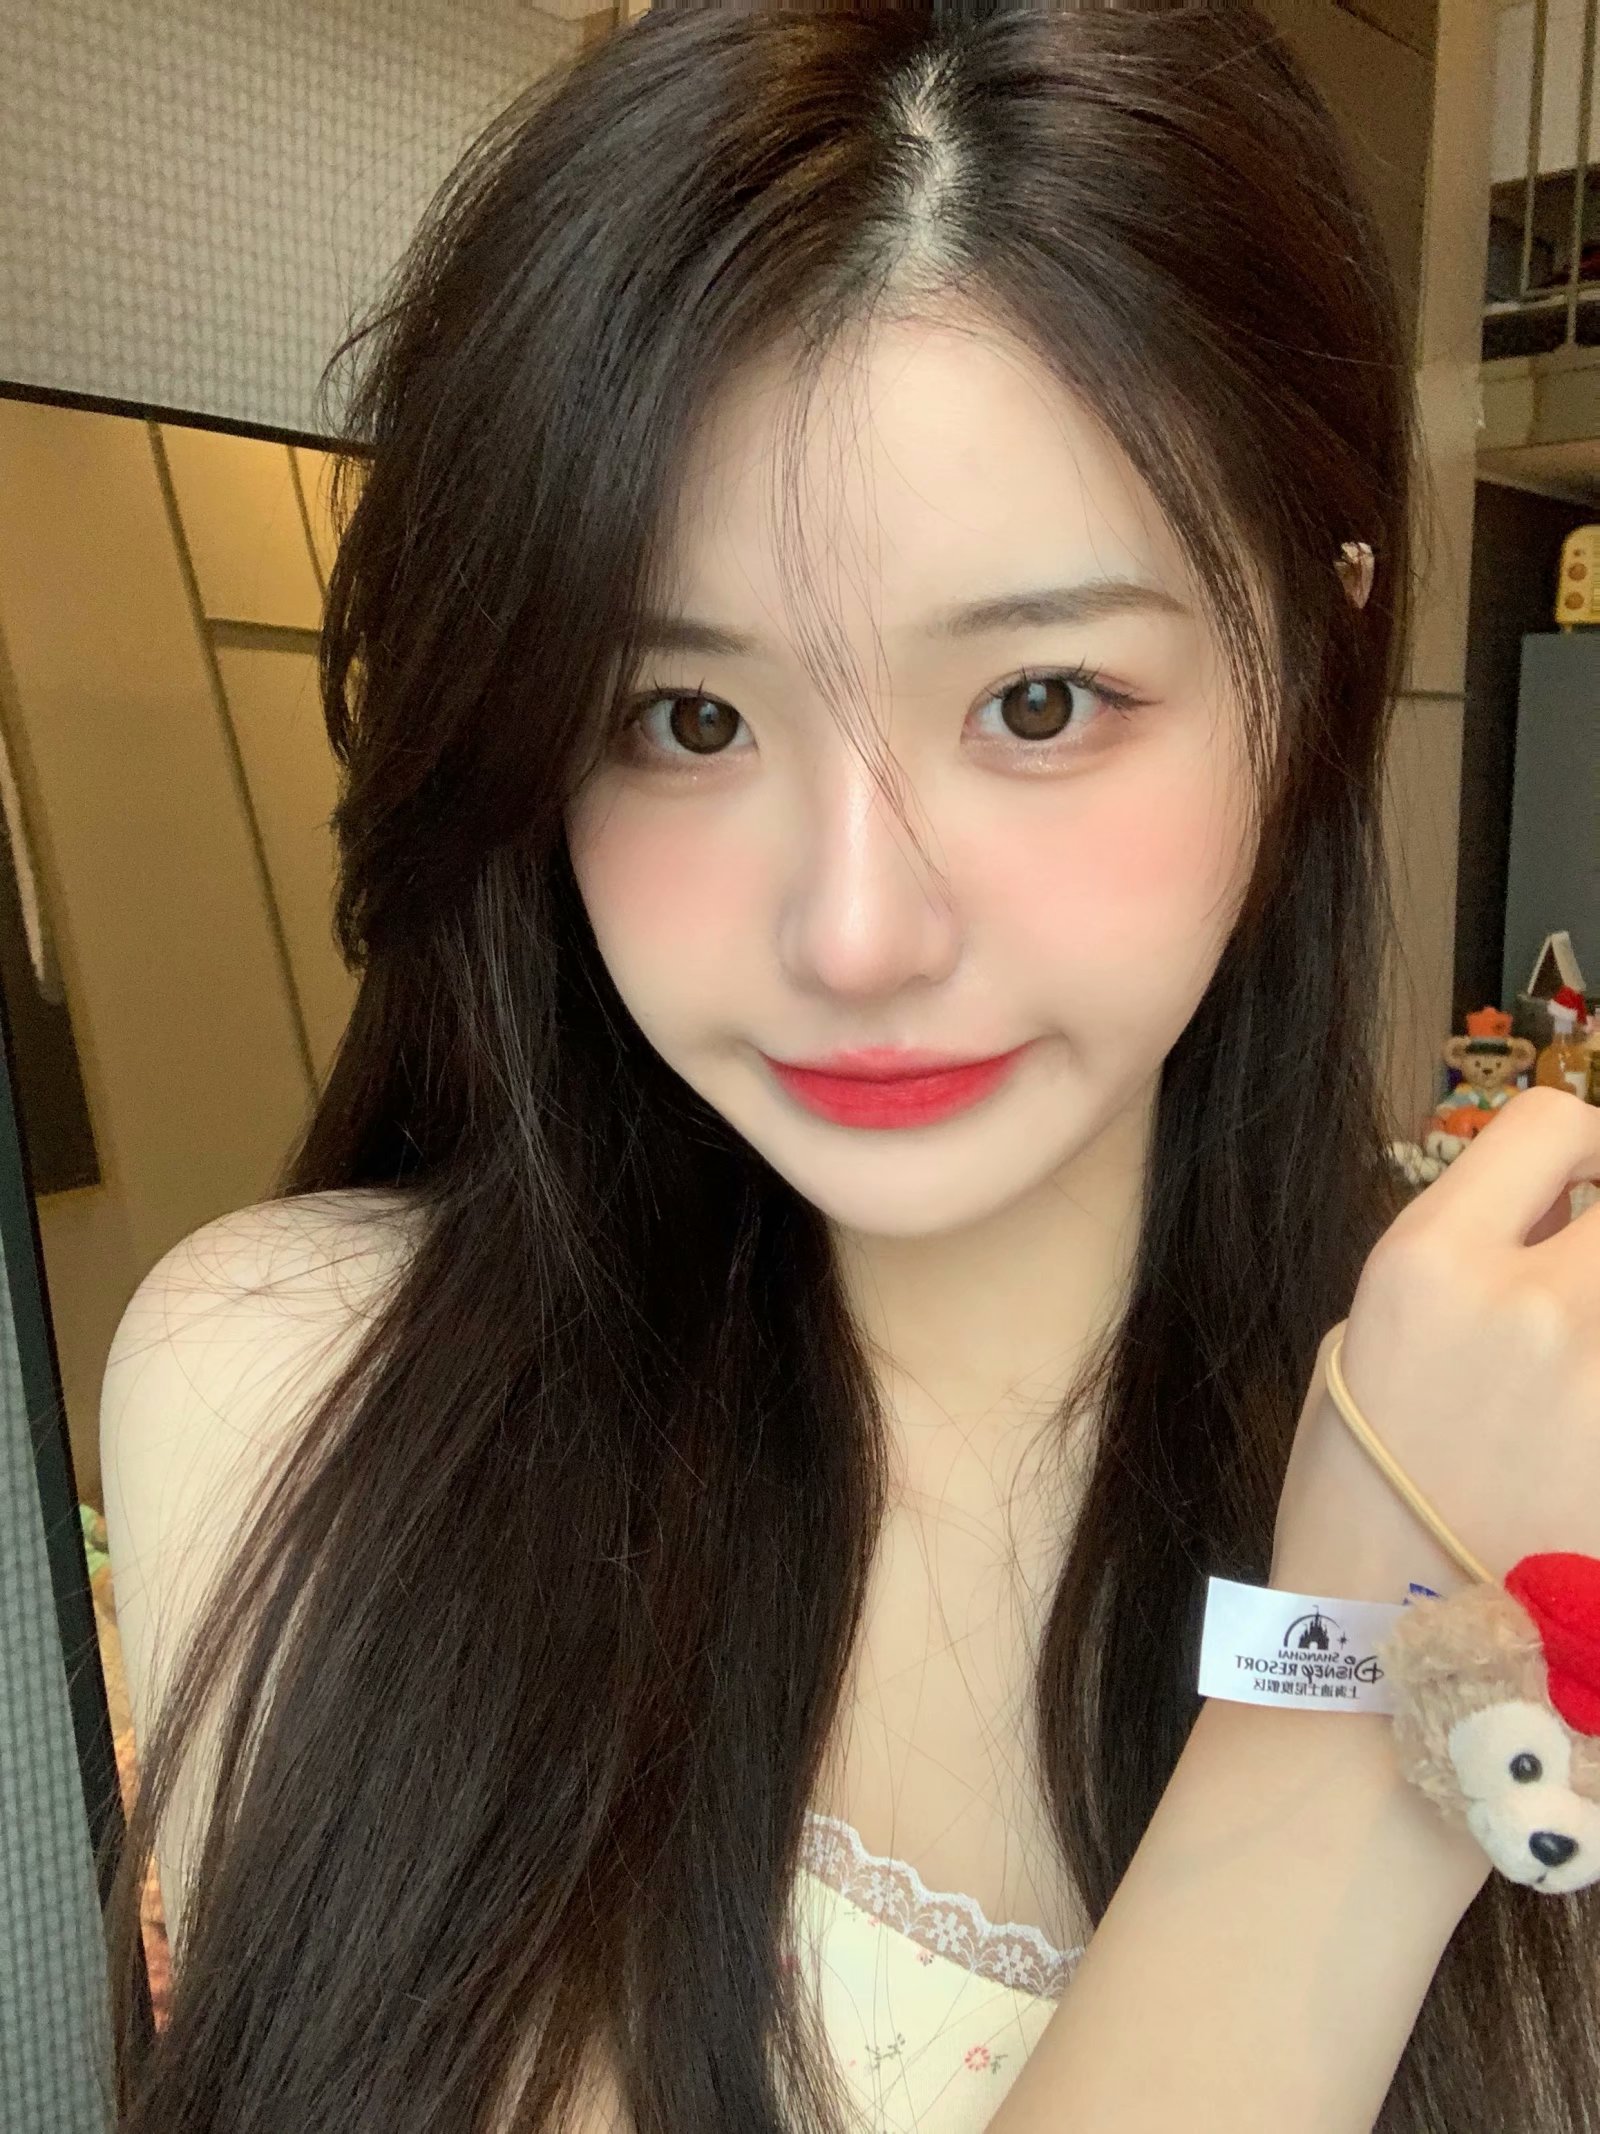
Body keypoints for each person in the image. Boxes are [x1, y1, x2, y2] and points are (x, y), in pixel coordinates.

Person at [96, 4, 1600, 2131]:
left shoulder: (1555, 1429)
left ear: (1318, 650)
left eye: (1042, 699)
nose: (855, 932)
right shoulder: (297, 1398)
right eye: (687, 720)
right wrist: (1374, 1683)